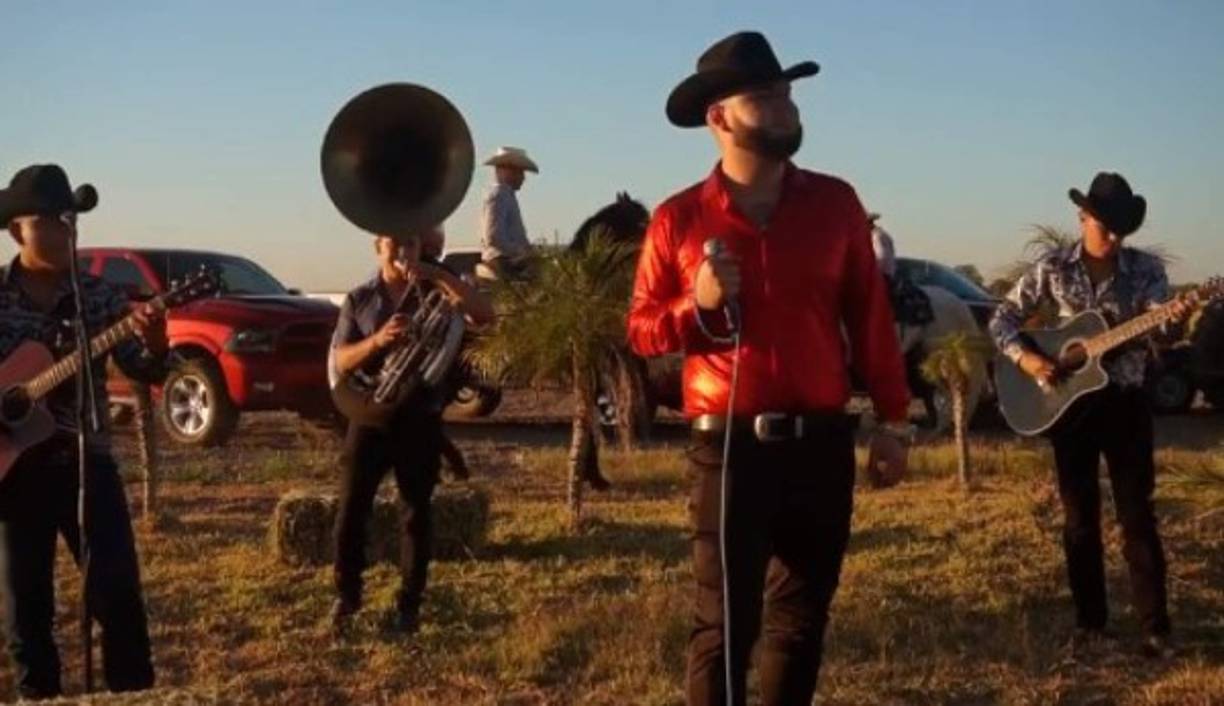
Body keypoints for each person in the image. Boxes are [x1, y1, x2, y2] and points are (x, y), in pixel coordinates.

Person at [627, 32, 913, 705]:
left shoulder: (836, 204)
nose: (784, 106)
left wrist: (895, 421)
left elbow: (871, 316)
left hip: (821, 445)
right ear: (718, 118)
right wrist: (692, 306)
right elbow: (640, 331)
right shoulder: (677, 219)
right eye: (764, 95)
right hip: (727, 451)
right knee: (723, 627)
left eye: (786, 93)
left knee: (800, 623)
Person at [989, 172, 1191, 659]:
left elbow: (1158, 330)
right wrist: (1030, 359)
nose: (1116, 236)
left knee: (1137, 516)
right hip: (1070, 409)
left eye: (1123, 227)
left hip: (1125, 404)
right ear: (1084, 219)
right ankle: (1091, 624)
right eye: (1107, 225)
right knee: (1080, 518)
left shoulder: (1146, 271)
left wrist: (1173, 319)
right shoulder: (1052, 267)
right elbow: (1002, 319)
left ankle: (1155, 629)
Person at [0, 164, 164, 698]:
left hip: (86, 462)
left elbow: (142, 368)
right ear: (16, 232)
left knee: (118, 594)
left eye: (68, 219)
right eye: (48, 221)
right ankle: (37, 697)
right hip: (14, 470)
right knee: (27, 607)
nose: (63, 230)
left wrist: (156, 341)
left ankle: (133, 693)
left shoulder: (98, 295)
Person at [329, 230, 493, 634]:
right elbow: (342, 360)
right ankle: (347, 596)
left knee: (416, 514)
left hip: (419, 416)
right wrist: (379, 341)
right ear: (377, 247)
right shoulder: (360, 299)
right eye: (393, 243)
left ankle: (410, 604)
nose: (403, 252)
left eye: (411, 244)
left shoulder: (438, 289)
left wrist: (441, 277)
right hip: (370, 413)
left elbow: (484, 315)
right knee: (351, 509)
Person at [420, 225, 471, 480]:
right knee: (425, 422)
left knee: (426, 421)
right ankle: (450, 469)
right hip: (432, 361)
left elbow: (469, 306)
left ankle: (449, 470)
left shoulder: (439, 273)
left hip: (440, 362)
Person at [478, 146, 538, 280]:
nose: (523, 178)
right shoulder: (499, 194)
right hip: (503, 262)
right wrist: (522, 252)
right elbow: (493, 237)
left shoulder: (505, 195)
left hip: (509, 260)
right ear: (506, 170)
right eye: (519, 172)